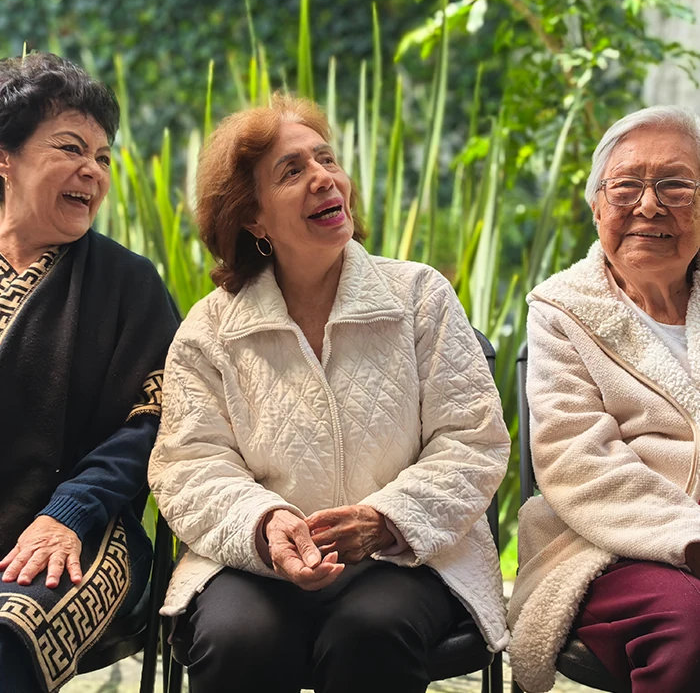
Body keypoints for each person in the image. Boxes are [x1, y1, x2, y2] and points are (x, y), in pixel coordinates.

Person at [148, 93, 511, 693]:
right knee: (237, 639)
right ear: (253, 217)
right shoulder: (209, 328)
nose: (323, 178)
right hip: (256, 563)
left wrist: (384, 520)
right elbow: (187, 463)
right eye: (292, 171)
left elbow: (472, 442)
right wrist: (264, 526)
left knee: (368, 632)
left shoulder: (420, 296)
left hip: (403, 557)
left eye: (327, 159)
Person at [0, 51, 180, 692]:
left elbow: (155, 421)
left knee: (8, 631)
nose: (93, 171)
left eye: (103, 157)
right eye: (70, 148)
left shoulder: (130, 283)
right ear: (5, 158)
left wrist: (71, 511)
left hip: (85, 528)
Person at [507, 105, 700, 693]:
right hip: (606, 546)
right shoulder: (562, 311)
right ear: (596, 207)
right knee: (691, 626)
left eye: (676, 186)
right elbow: (578, 461)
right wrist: (691, 538)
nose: (650, 206)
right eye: (626, 186)